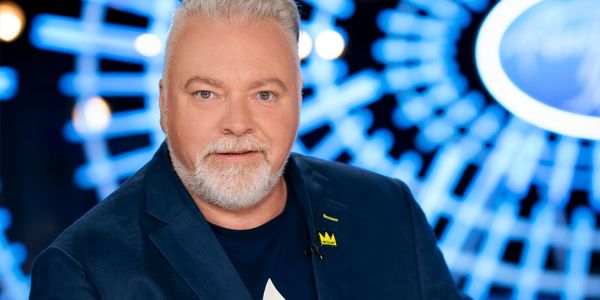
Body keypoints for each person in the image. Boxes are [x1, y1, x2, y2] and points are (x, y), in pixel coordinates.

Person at [30, 0, 469, 299]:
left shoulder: (389, 211)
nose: (237, 124)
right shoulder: (83, 271)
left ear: (299, 100)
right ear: (164, 105)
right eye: (206, 94)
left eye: (264, 95)